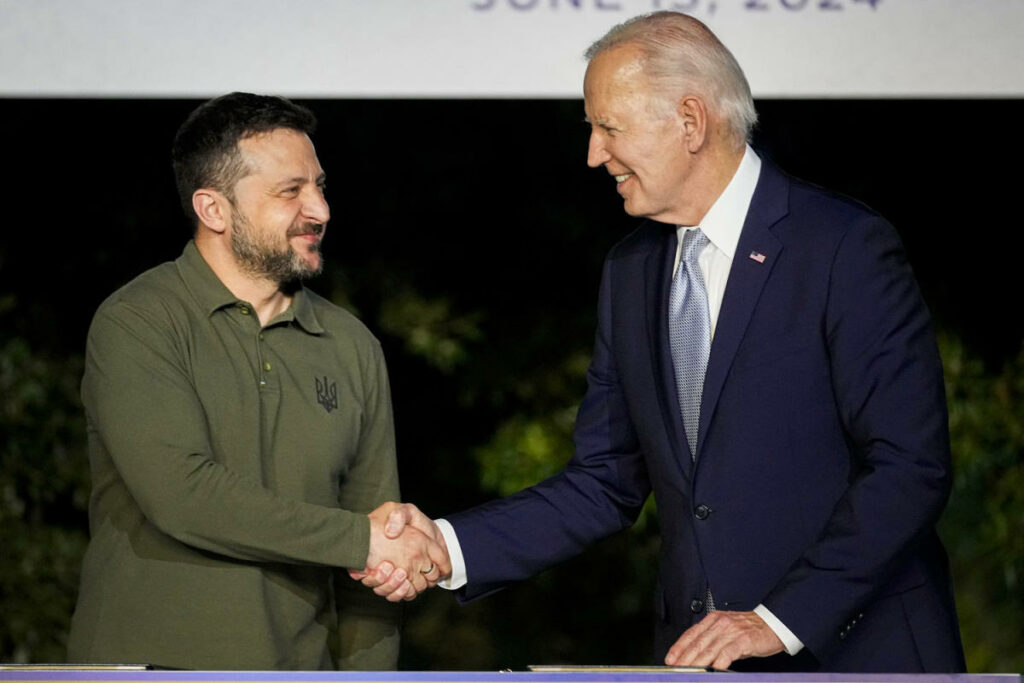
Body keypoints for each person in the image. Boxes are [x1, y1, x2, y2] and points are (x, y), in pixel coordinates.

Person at [356, 12, 965, 673]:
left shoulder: (842, 248)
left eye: (609, 128)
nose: (593, 153)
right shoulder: (630, 271)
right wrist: (448, 546)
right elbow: (606, 480)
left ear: (692, 122)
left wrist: (778, 619)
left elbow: (910, 466)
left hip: (857, 656)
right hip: (698, 658)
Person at [67, 92, 449, 670]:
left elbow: (377, 559)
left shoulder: (352, 346)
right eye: (290, 191)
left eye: (320, 186)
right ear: (213, 209)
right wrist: (360, 539)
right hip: (148, 672)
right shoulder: (139, 321)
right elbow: (183, 495)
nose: (320, 209)